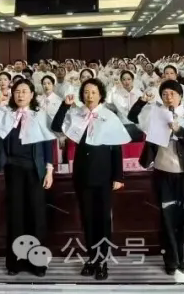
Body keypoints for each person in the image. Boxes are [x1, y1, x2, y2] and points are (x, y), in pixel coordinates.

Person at [50, 79, 130, 281]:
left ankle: (103, 261)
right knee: (87, 219)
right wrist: (65, 106)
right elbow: (56, 126)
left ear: (101, 95)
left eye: (93, 92)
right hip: (82, 174)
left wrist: (118, 176)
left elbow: (116, 147)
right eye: (86, 92)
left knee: (103, 220)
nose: (89, 95)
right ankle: (92, 258)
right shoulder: (77, 114)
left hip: (104, 175)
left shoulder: (108, 117)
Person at [0, 79, 55, 276]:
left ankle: (38, 263)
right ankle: (15, 263)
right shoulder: (6, 114)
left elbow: (48, 143)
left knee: (36, 216)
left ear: (32, 95)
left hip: (35, 170)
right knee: (15, 216)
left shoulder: (39, 114)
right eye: (17, 91)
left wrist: (49, 170)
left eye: (24, 91)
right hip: (13, 169)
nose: (20, 95)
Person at [128, 80, 184, 274]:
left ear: (180, 96)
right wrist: (142, 101)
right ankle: (171, 262)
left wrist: (179, 130)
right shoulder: (156, 114)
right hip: (162, 172)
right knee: (166, 218)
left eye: (172, 94)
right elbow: (132, 116)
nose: (168, 97)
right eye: (164, 94)